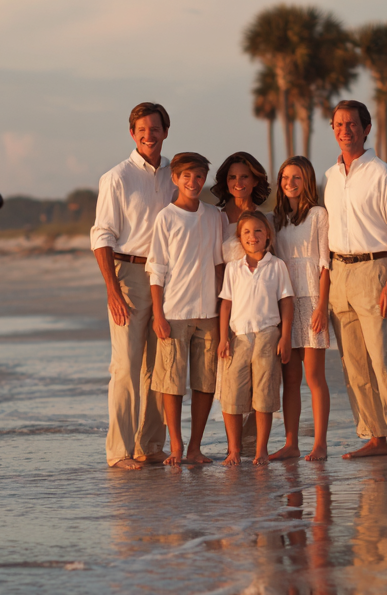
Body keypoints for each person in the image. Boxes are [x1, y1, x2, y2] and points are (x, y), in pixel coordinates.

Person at [324, 101, 387, 460]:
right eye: (338, 124)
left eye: (351, 124)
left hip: (375, 270)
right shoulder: (331, 176)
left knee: (382, 358)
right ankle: (375, 435)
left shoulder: (384, 174)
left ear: (366, 129)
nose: (344, 130)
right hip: (338, 273)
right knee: (353, 362)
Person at [90, 103, 175, 470]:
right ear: (132, 133)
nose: (148, 134)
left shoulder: (176, 173)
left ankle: (150, 445)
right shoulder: (117, 177)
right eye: (141, 129)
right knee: (125, 366)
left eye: (155, 128)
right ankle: (119, 452)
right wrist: (111, 289)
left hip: (168, 277)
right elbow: (102, 235)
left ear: (165, 132)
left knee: (160, 366)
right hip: (128, 275)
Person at [147, 152, 224, 466]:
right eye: (187, 176)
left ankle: (195, 447)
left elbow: (220, 265)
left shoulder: (214, 216)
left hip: (209, 314)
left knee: (205, 383)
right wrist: (158, 314)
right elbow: (156, 269)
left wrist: (222, 312)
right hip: (175, 312)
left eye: (199, 176)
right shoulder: (166, 217)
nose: (194, 182)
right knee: (172, 384)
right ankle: (176, 446)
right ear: (175, 179)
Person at [267, 156, 331, 463]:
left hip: (313, 300)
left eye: (297, 178)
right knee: (290, 378)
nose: (289, 183)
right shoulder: (275, 219)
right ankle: (291, 444)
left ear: (307, 182)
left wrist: (322, 306)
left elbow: (325, 264)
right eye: (284, 177)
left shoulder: (318, 214)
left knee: (314, 376)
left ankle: (320, 444)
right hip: (286, 303)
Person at [218, 211, 294, 466]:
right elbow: (226, 305)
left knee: (264, 394)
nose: (253, 236)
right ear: (240, 238)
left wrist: (285, 336)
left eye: (258, 231)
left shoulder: (277, 266)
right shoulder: (233, 268)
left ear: (268, 236)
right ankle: (234, 450)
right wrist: (223, 338)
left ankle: (261, 449)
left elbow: (286, 302)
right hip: (238, 336)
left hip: (267, 334)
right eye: (247, 232)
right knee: (232, 394)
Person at [210, 151, 272, 262]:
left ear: (255, 181)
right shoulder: (213, 218)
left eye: (244, 177)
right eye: (233, 177)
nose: (238, 183)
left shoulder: (266, 219)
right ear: (226, 182)